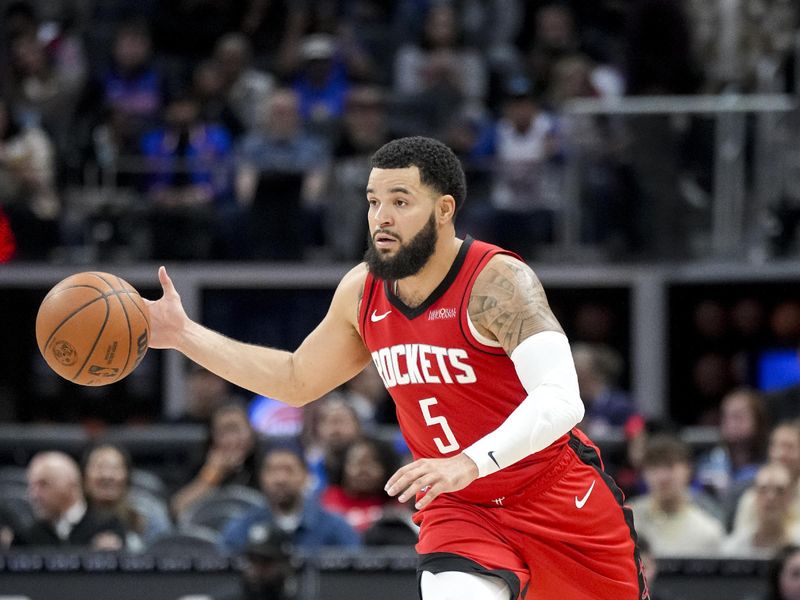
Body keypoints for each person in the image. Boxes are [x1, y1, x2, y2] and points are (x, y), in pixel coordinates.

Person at [147, 136, 647, 599]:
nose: (381, 217)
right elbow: (296, 381)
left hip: (555, 498)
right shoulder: (361, 291)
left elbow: (562, 399)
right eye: (373, 201)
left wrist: (467, 461)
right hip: (460, 508)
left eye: (400, 201)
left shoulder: (497, 282)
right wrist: (184, 335)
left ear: (444, 209)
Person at [220, 445, 360, 555]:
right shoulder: (243, 528)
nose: (280, 479)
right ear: (261, 477)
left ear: (305, 476)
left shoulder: (335, 527)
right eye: (272, 470)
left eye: (289, 470)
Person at [628, 434, 724, 557]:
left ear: (688, 470)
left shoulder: (708, 533)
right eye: (654, 467)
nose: (662, 477)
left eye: (670, 466)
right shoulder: (627, 521)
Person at [14, 451, 125, 549]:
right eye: (32, 486)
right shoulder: (27, 535)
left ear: (71, 486)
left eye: (44, 484)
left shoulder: (108, 526)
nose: (34, 495)